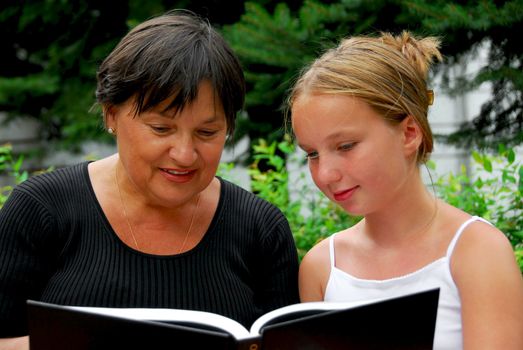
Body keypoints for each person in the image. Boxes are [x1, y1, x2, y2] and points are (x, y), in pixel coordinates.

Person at [0, 10, 299, 349]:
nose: (185, 154)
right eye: (161, 128)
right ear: (111, 114)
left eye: (207, 132)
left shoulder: (261, 230)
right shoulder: (41, 211)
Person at [288, 31, 523, 349]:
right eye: (312, 153)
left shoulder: (477, 252)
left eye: (345, 146)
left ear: (409, 133)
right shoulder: (321, 267)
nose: (326, 173)